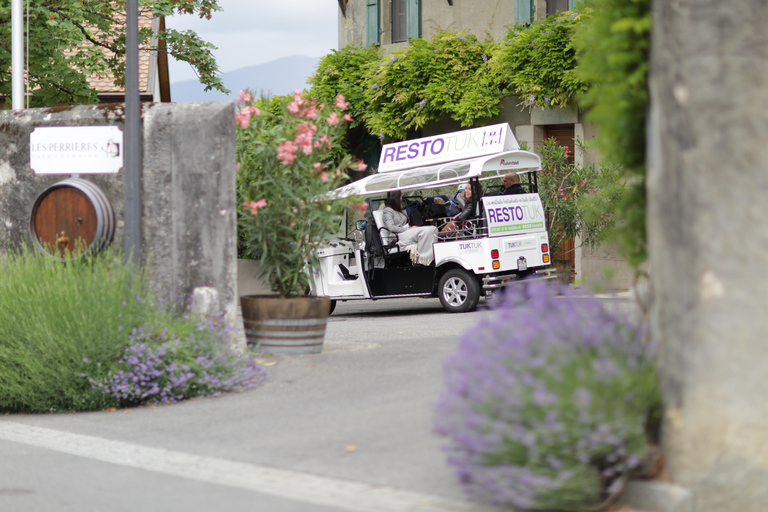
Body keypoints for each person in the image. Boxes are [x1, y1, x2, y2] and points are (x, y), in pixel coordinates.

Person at [381, 191, 438, 265]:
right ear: (396, 198)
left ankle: (431, 257)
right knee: (426, 231)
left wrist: (410, 228)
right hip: (397, 236)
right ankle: (423, 260)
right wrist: (407, 229)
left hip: (405, 232)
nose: (402, 198)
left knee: (433, 229)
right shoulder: (388, 210)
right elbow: (391, 227)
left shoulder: (399, 210)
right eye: (400, 196)